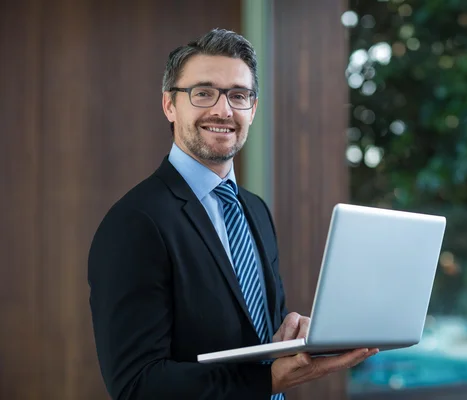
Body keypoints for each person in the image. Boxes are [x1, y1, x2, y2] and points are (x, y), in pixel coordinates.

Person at [87, 28, 378, 400]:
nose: (223, 110)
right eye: (203, 93)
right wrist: (268, 380)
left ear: (252, 110)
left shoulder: (254, 210)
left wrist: (293, 337)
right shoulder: (135, 223)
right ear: (169, 105)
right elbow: (136, 386)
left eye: (238, 96)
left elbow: (252, 337)